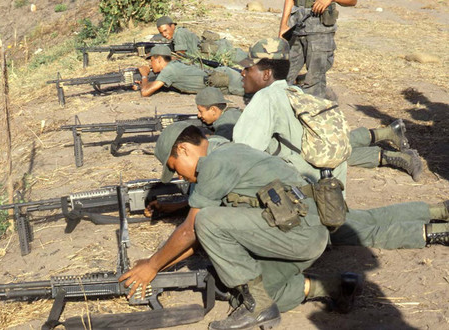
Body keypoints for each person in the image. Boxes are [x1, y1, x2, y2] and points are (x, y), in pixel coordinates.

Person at [121, 122, 448, 329]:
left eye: (174, 167)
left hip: (298, 232)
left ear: (182, 149)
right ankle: (334, 287)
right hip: (299, 231)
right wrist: (157, 268)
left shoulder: (216, 163)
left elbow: (195, 228)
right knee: (246, 292)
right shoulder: (223, 150)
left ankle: (261, 308)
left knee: (209, 224)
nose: (177, 175)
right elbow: (199, 239)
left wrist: (152, 265)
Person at [232, 38, 423, 185]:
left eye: (248, 69)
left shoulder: (266, 98)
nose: (243, 73)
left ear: (266, 74)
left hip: (305, 184)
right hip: (329, 180)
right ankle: (387, 137)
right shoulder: (295, 92)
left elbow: (241, 155)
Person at [278, 0, 357, 99]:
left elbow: (352, 1)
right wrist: (283, 25)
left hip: (320, 31)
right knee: (280, 78)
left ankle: (314, 110)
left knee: (314, 84)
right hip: (295, 27)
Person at [134, 44, 244, 97]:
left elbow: (145, 93)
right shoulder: (174, 65)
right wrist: (144, 84)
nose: (150, 65)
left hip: (228, 80)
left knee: (257, 90)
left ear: (158, 60)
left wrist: (144, 75)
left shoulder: (169, 70)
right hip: (223, 78)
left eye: (151, 60)